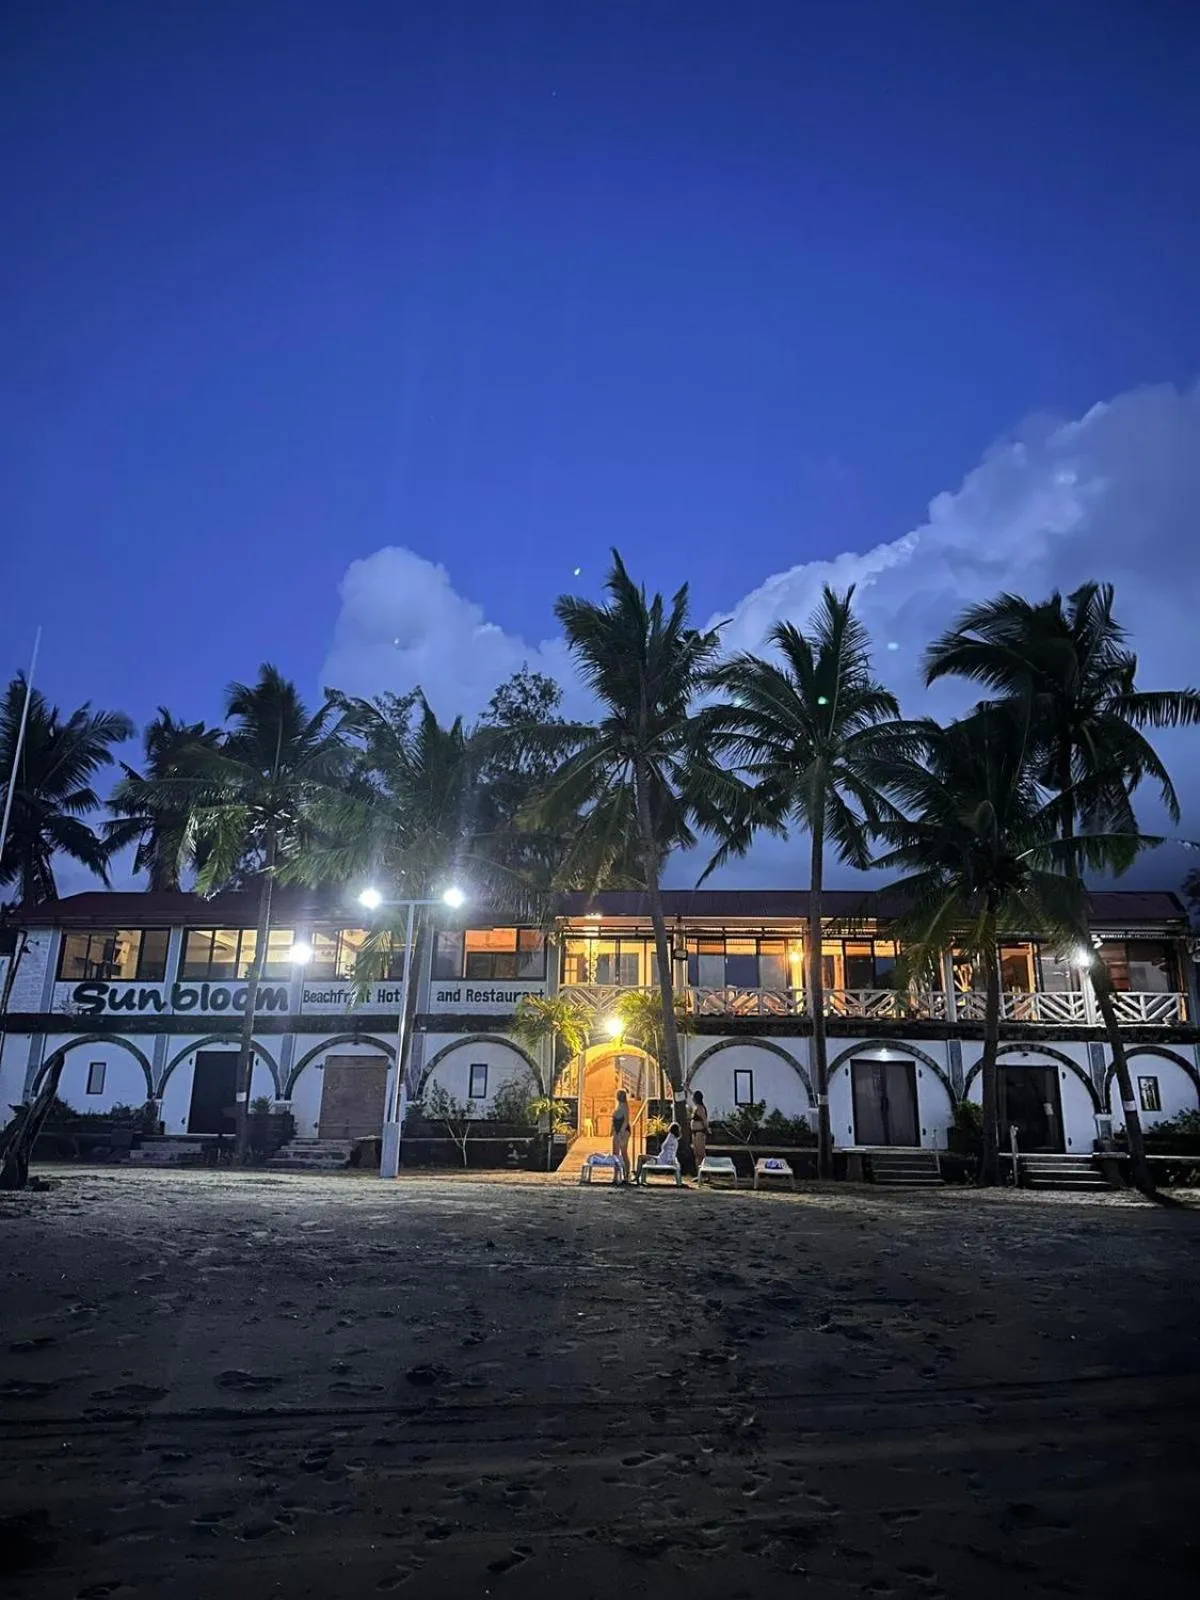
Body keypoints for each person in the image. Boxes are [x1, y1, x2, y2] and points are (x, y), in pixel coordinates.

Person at [612, 1088, 632, 1182]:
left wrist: (621, 1133)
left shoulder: (624, 1107)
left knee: (623, 1153)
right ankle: (616, 1175)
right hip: (617, 1130)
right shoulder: (618, 1105)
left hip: (623, 1131)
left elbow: (626, 1121)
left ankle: (627, 1174)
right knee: (615, 1154)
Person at [690, 1090, 710, 1170]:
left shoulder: (701, 1108)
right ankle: (699, 1173)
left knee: (701, 1154)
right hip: (694, 1132)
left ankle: (709, 1174)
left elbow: (704, 1120)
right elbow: (691, 1093)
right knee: (696, 1154)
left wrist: (707, 1129)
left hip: (699, 1132)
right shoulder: (695, 1107)